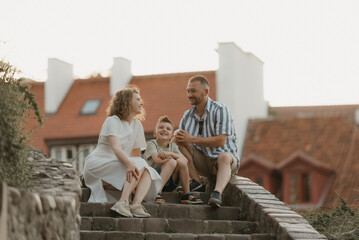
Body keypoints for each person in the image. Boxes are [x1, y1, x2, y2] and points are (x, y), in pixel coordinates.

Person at [83, 86, 162, 218]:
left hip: (117, 165)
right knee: (139, 163)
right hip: (98, 165)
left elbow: (136, 154)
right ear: (126, 101)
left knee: (147, 170)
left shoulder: (137, 125)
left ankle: (135, 205)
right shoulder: (112, 121)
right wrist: (130, 165)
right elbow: (116, 148)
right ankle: (122, 202)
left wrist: (135, 174)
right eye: (137, 99)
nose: (141, 103)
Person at [173, 75, 239, 208]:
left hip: (224, 162)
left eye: (193, 91)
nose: (189, 94)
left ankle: (217, 193)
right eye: (188, 91)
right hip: (203, 161)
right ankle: (196, 182)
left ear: (206, 92)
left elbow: (221, 141)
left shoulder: (221, 109)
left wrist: (191, 139)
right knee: (177, 141)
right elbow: (180, 139)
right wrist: (176, 135)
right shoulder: (187, 115)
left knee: (224, 157)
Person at [144, 116, 203, 204]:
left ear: (171, 136)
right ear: (155, 133)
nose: (164, 130)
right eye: (161, 127)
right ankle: (156, 192)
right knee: (173, 161)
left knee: (181, 161)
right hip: (153, 181)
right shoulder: (152, 143)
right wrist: (172, 160)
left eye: (168, 128)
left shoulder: (173, 146)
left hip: (170, 183)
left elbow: (185, 161)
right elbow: (157, 159)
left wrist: (170, 154)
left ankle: (186, 194)